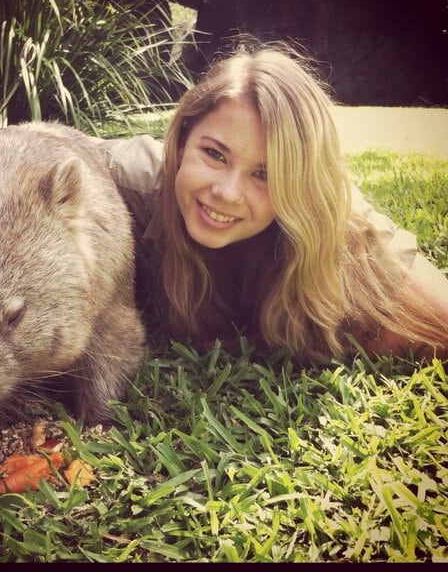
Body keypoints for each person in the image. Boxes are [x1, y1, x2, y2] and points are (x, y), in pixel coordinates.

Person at [94, 42, 448, 362]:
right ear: (183, 139)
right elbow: (44, 154)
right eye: (215, 154)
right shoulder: (124, 176)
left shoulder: (340, 228)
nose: (227, 192)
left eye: (264, 175)